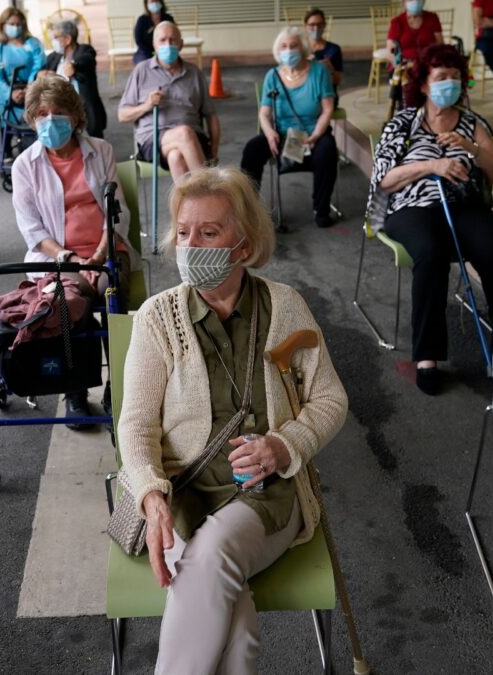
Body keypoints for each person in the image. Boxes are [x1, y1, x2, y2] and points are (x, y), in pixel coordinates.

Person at [117, 166, 347, 674]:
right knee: (236, 638)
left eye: (209, 232)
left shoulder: (285, 307)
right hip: (181, 493)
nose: (189, 245)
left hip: (262, 495)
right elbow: (134, 426)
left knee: (217, 551)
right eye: (182, 232)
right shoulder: (157, 317)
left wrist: (285, 446)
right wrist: (152, 497)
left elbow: (331, 399)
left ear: (242, 247)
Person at [367, 44, 493, 395]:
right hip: (409, 207)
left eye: (455, 77)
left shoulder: (473, 123)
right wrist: (431, 165)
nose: (450, 83)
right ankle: (428, 356)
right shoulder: (402, 123)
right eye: (441, 77)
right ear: (424, 84)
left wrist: (473, 147)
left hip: (463, 204)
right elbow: (383, 179)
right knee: (430, 252)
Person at [12, 76, 137, 428]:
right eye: (42, 113)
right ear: (32, 119)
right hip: (58, 257)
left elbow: (118, 211)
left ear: (76, 116)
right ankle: (76, 390)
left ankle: (120, 387)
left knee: (114, 295)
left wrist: (100, 253)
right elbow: (32, 230)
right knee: (71, 303)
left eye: (59, 112)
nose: (50, 120)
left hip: (107, 246)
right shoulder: (25, 164)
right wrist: (71, 260)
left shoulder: (101, 150)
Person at [240, 27, 338, 228]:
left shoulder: (319, 71)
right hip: (282, 134)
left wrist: (317, 134)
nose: (289, 50)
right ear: (278, 51)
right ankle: (247, 209)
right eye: (284, 46)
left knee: (327, 151)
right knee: (252, 149)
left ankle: (321, 209)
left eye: (294, 45)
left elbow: (328, 109)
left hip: (314, 132)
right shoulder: (273, 76)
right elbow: (264, 113)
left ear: (302, 48)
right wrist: (269, 133)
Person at [118, 21, 221, 182]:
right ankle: (211, 192)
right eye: (163, 40)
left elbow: (211, 115)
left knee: (176, 157)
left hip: (194, 138)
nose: (168, 44)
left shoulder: (194, 72)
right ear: (154, 44)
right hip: (152, 139)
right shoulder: (141, 71)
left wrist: (214, 150)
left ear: (181, 44)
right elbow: (122, 115)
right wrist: (147, 105)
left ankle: (188, 207)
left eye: (173, 40)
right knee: (184, 133)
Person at [42, 20, 108, 139]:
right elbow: (42, 70)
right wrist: (43, 75)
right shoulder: (54, 56)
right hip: (60, 108)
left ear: (67, 39)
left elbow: (87, 59)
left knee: (94, 142)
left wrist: (73, 65)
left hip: (83, 108)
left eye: (56, 37)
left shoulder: (85, 50)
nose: (53, 41)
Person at [0, 7, 46, 128]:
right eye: (12, 24)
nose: (16, 27)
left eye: (19, 24)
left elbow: (38, 65)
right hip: (6, 96)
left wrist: (29, 89)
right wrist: (10, 93)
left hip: (31, 92)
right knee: (7, 135)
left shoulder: (32, 43)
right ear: (3, 25)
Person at [387, 0, 444, 65]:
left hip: (428, 64)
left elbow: (440, 45)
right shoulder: (397, 22)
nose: (416, 1)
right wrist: (402, 63)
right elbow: (391, 52)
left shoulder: (432, 18)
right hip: (403, 64)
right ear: (404, 2)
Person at [304, 8, 343, 93]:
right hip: (304, 95)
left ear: (324, 26)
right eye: (312, 24)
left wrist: (330, 69)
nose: (316, 28)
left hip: (326, 94)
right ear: (305, 26)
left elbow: (337, 81)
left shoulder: (333, 49)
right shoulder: (300, 49)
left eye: (319, 24)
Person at [133, 0, 174, 65]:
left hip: (165, 50)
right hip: (145, 52)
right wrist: (154, 53)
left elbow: (173, 36)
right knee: (144, 64)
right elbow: (139, 40)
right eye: (152, 1)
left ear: (161, 2)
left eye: (156, 1)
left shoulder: (168, 18)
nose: (154, 3)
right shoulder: (142, 20)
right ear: (147, 4)